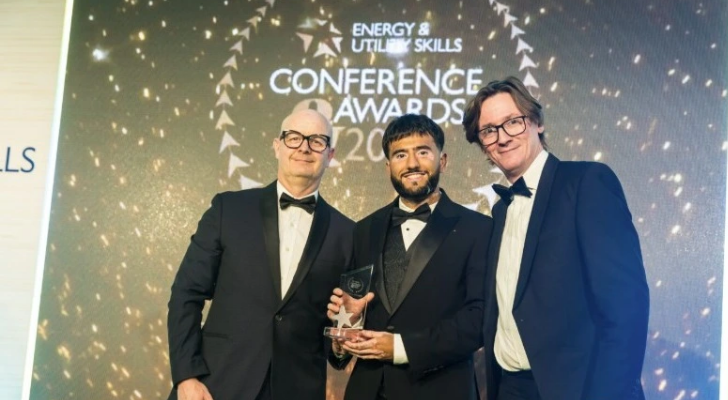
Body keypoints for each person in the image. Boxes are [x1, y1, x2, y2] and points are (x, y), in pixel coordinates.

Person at [462, 77, 650, 400]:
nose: (502, 138)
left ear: (536, 122)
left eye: (512, 123)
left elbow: (626, 309)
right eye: (489, 130)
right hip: (509, 389)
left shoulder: (586, 183)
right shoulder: (500, 211)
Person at [167, 109, 354, 400]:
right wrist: (187, 376)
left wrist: (341, 345)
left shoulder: (348, 233)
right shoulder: (228, 209)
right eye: (294, 138)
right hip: (215, 384)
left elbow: (336, 328)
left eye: (317, 141)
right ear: (277, 146)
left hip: (297, 390)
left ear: (330, 155)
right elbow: (185, 294)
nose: (304, 147)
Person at [328, 113, 490, 400]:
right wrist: (346, 329)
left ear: (443, 160)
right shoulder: (364, 229)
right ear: (389, 166)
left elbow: (478, 320)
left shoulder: (477, 229)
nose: (412, 163)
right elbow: (352, 310)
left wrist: (402, 348)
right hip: (367, 391)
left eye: (423, 152)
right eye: (401, 154)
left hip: (441, 390)